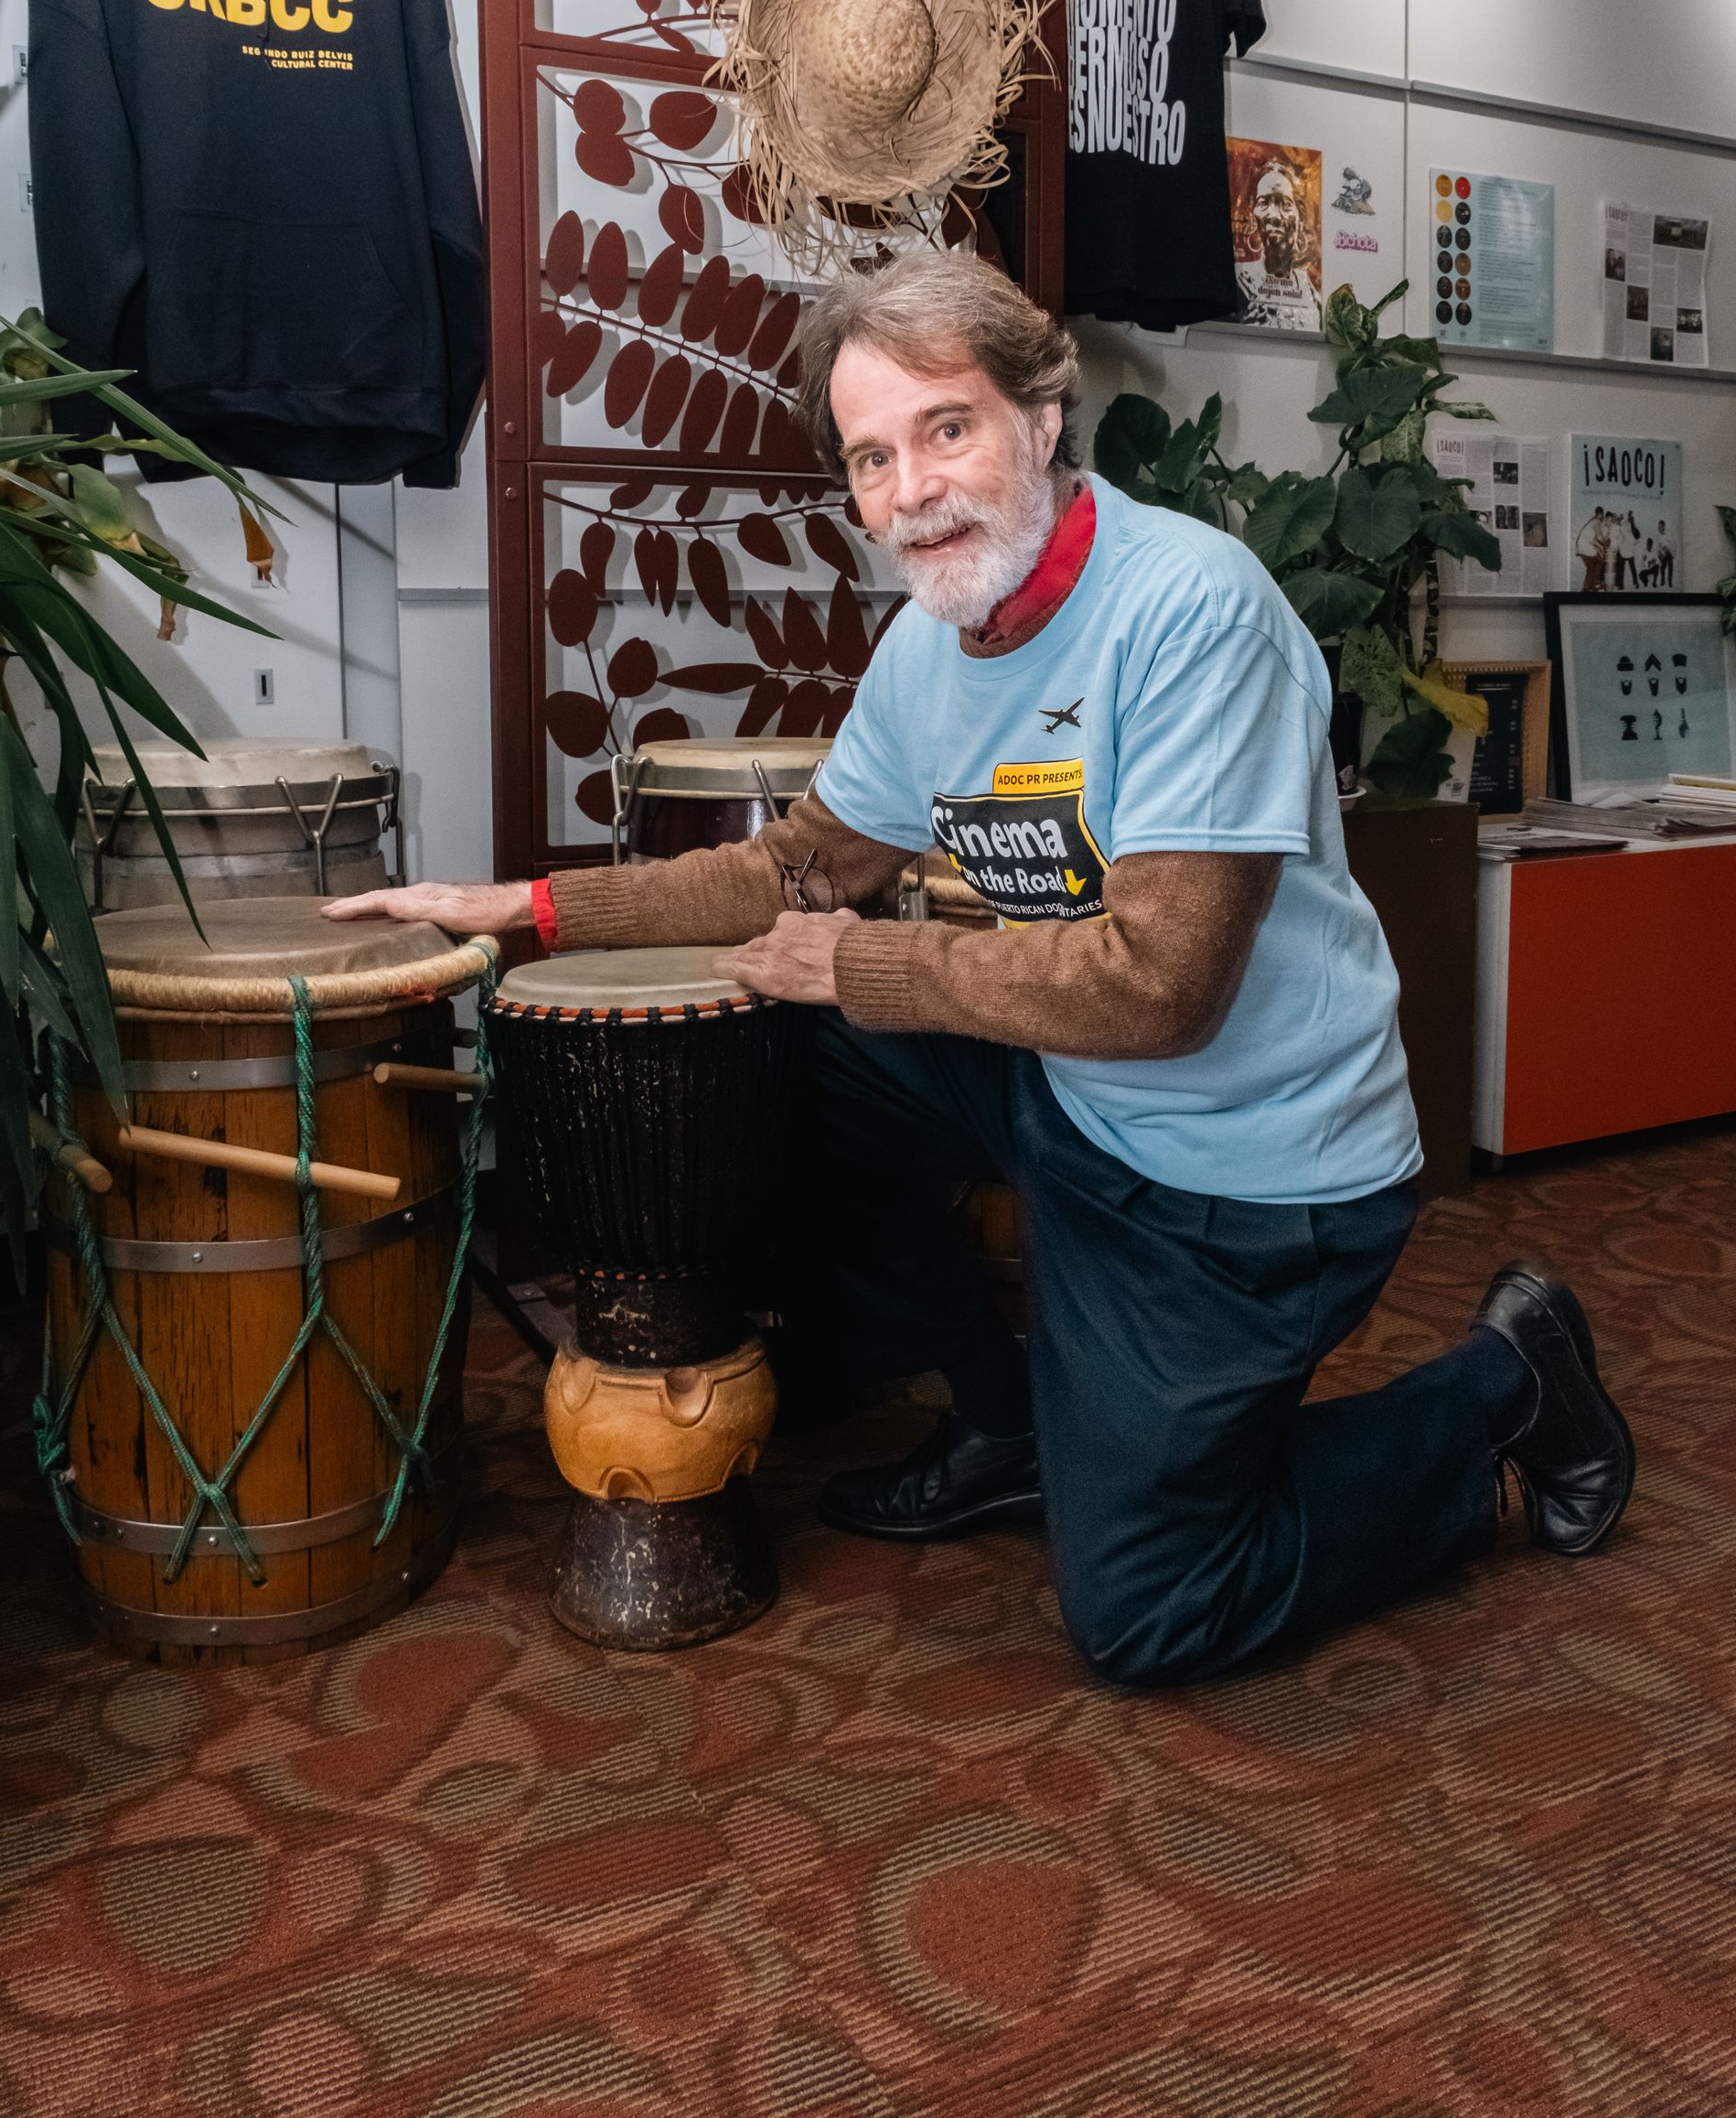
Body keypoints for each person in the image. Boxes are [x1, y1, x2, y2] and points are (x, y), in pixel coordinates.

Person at [329, 249, 1634, 1688]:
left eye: (945, 428)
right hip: (1070, 1096)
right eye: (871, 458)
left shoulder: (1194, 613)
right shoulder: (930, 645)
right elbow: (796, 867)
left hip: (1251, 1176)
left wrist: (868, 968)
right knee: (767, 1046)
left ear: (1043, 415)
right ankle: (1005, 1416)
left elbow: (1161, 987)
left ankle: (1503, 1389)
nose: (912, 491)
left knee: (1153, 1612)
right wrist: (525, 905)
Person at [1233, 159, 1322, 330]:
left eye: (1286, 204)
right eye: (1263, 203)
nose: (1273, 215)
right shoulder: (1239, 279)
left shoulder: (1310, 291)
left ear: (1300, 218)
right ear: (1254, 217)